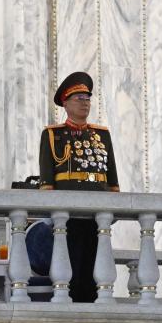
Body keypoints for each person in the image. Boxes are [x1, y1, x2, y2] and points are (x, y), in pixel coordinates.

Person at [38, 71, 120, 302]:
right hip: (69, 212)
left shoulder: (101, 135)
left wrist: (114, 203)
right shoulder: (53, 134)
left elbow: (111, 177)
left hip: (98, 210)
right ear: (65, 103)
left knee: (95, 264)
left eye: (87, 99)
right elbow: (47, 180)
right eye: (79, 99)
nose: (85, 103)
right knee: (71, 263)